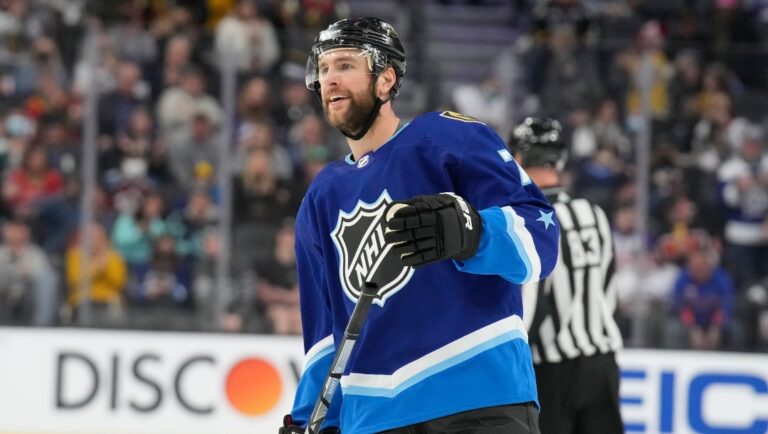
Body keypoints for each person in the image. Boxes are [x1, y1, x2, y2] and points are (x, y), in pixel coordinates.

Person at [280, 17, 559, 434]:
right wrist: (311, 422)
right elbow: (326, 336)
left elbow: (542, 237)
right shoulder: (321, 196)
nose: (330, 79)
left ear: (386, 79)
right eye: (323, 69)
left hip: (477, 396)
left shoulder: (447, 137)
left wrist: (474, 233)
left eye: (345, 65)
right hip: (372, 418)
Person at [509, 117, 624, 434]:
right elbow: (609, 293)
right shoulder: (594, 212)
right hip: (601, 364)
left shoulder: (528, 217)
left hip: (551, 370)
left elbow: (532, 305)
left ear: (517, 158)